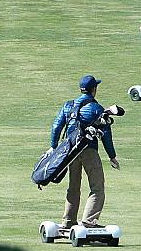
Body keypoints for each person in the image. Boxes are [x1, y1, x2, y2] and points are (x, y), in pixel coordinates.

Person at [48, 75, 120, 229]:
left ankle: (68, 221)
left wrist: (53, 147)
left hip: (70, 152)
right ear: (94, 89)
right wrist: (112, 156)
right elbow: (106, 135)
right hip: (89, 150)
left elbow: (56, 126)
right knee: (97, 187)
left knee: (73, 186)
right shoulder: (97, 108)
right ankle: (88, 222)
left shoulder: (69, 105)